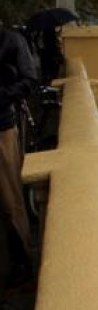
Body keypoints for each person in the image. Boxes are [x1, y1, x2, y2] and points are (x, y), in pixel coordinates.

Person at [0, 22, 37, 285]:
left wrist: (2, 96)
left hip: (1, 126)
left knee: (10, 198)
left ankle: (22, 261)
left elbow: (29, 80)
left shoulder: (10, 40)